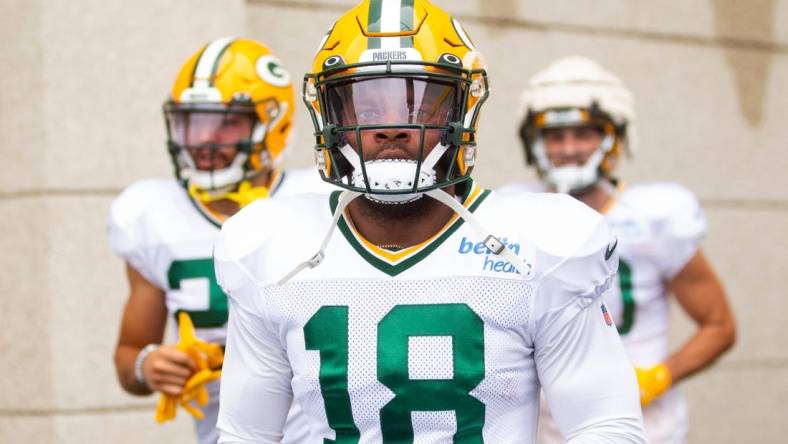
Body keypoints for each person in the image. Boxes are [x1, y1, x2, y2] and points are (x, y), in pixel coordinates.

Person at [213, 2, 647, 443]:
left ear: (463, 111)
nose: (392, 127)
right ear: (332, 119)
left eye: (420, 105)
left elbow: (604, 427)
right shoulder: (269, 247)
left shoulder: (540, 246)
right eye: (366, 109)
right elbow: (246, 435)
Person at [505, 55, 736, 443]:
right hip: (545, 429)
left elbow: (719, 326)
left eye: (584, 133)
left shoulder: (654, 217)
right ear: (534, 141)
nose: (569, 148)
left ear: (615, 136)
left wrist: (657, 377)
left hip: (643, 425)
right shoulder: (514, 212)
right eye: (554, 136)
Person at [108, 37, 329, 444]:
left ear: (273, 123)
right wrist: (149, 364)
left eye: (226, 122)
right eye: (192, 122)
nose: (204, 139)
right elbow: (129, 355)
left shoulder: (321, 199)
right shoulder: (151, 215)